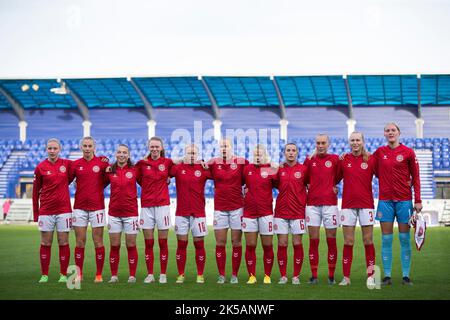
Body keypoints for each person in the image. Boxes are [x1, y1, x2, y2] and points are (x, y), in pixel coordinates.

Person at [374, 123, 422, 285]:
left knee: (404, 238)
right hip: (385, 201)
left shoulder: (408, 152)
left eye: (393, 130)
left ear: (399, 133)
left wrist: (418, 200)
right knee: (386, 239)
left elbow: (416, 177)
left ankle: (405, 276)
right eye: (387, 130)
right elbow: (367, 165)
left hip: (404, 201)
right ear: (384, 134)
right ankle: (387, 276)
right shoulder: (380, 152)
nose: (390, 132)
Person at [336, 132, 376, 286]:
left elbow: (383, 175)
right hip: (348, 205)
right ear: (349, 142)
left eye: (358, 140)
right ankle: (346, 277)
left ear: (363, 141)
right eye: (352, 140)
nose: (355, 143)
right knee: (348, 241)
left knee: (368, 240)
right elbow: (335, 178)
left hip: (366, 205)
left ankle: (371, 276)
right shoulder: (343, 159)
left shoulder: (371, 159)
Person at [208, 138, 248, 284]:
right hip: (220, 208)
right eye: (221, 146)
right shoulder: (213, 163)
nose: (224, 148)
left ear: (231, 147)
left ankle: (234, 275)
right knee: (220, 242)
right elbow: (199, 169)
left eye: (226, 146)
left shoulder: (241, 162)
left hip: (237, 208)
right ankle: (222, 275)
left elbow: (255, 170)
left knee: (236, 242)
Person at [69, 136, 109, 283]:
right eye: (84, 146)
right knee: (80, 242)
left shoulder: (102, 163)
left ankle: (98, 274)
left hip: (97, 207)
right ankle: (78, 275)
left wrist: (96, 190)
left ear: (94, 147)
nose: (87, 148)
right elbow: (65, 181)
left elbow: (109, 180)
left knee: (98, 241)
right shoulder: (75, 165)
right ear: (81, 148)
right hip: (79, 208)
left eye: (89, 146)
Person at [170, 144, 211, 284]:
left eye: (194, 153)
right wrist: (177, 160)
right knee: (181, 244)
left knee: (199, 245)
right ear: (185, 154)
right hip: (181, 213)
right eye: (189, 153)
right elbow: (165, 169)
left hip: (199, 213)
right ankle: (181, 274)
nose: (192, 155)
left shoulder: (203, 169)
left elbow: (219, 176)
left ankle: (200, 274)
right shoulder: (178, 168)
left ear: (198, 155)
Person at [32, 138, 72, 284]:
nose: (52, 151)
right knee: (46, 242)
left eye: (55, 148)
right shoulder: (40, 167)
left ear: (59, 149)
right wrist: (36, 213)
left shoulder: (67, 164)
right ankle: (45, 274)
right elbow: (35, 192)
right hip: (46, 210)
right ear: (46, 150)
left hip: (64, 210)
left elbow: (84, 164)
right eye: (50, 148)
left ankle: (63, 274)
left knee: (63, 242)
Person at [303, 134, 340, 285]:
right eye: (318, 143)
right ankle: (314, 275)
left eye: (323, 142)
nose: (320, 145)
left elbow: (340, 176)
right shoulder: (309, 160)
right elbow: (304, 178)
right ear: (315, 144)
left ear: (328, 144)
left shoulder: (335, 159)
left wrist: (333, 185)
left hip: (330, 204)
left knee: (331, 240)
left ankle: (331, 276)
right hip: (312, 204)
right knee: (313, 240)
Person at [136, 137, 173, 284]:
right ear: (148, 148)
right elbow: (138, 179)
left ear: (162, 148)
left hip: (163, 206)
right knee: (148, 243)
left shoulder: (167, 163)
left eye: (157, 147)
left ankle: (163, 274)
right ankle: (150, 274)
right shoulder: (142, 164)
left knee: (163, 242)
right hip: (147, 206)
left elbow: (179, 165)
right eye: (152, 147)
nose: (154, 149)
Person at [105, 144, 141, 283]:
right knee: (114, 245)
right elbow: (98, 184)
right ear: (116, 154)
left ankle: (132, 276)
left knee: (131, 245)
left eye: (124, 152)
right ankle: (114, 275)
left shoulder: (135, 170)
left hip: (131, 213)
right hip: (114, 213)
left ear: (128, 155)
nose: (121, 154)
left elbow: (147, 183)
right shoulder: (109, 170)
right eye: (119, 152)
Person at [273, 143, 308, 285]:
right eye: (288, 150)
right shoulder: (278, 170)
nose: (291, 153)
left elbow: (311, 184)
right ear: (284, 153)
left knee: (297, 243)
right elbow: (269, 183)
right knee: (282, 243)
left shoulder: (304, 169)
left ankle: (295, 276)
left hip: (298, 212)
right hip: (281, 212)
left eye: (293, 150)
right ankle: (283, 276)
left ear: (297, 153)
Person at [242, 144, 276, 284]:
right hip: (249, 213)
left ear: (264, 155)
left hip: (266, 213)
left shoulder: (270, 170)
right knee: (250, 245)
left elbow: (284, 183)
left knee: (267, 246)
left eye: (260, 154)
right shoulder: (246, 169)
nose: (257, 156)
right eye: (255, 154)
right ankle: (252, 276)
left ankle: (267, 275)